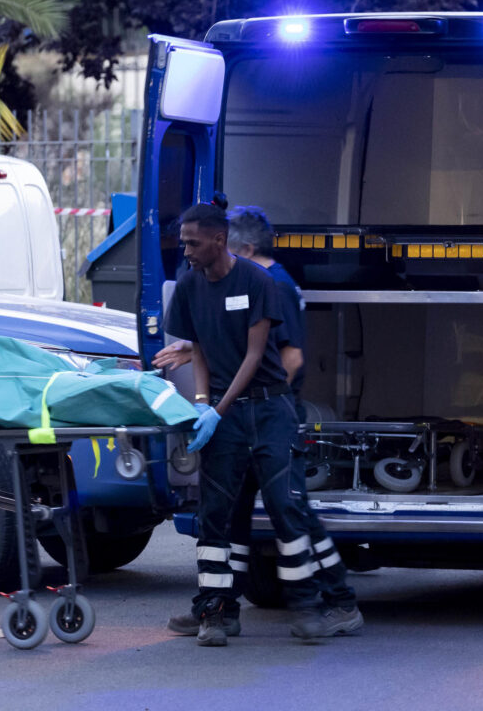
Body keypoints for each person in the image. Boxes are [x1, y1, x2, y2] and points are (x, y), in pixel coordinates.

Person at [162, 201, 361, 646]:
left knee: (288, 512)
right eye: (185, 242)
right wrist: (200, 403)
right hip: (226, 411)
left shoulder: (262, 282)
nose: (186, 250)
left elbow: (263, 355)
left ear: (220, 240)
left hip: (268, 409)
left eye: (193, 242)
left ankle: (317, 606)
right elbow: (201, 349)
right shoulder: (191, 287)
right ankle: (215, 610)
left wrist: (219, 409)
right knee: (217, 516)